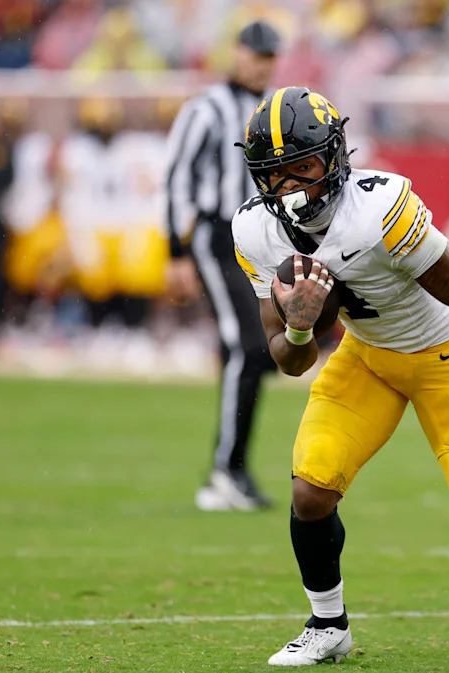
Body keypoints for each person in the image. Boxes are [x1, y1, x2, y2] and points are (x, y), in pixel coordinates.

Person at [231, 86, 449, 666]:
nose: (289, 188)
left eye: (302, 168)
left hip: (443, 355)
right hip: (367, 358)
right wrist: (303, 327)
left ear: (333, 158)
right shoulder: (256, 231)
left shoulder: (380, 208)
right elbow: (290, 361)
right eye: (275, 175)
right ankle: (327, 625)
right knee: (311, 489)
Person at [164, 20, 281, 511]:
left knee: (261, 353)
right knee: (245, 346)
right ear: (236, 53)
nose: (261, 63)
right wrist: (176, 251)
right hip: (218, 235)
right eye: (255, 54)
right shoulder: (206, 108)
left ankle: (233, 468)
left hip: (262, 238)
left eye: (269, 56)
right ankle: (224, 471)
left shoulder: (275, 110)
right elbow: (176, 180)